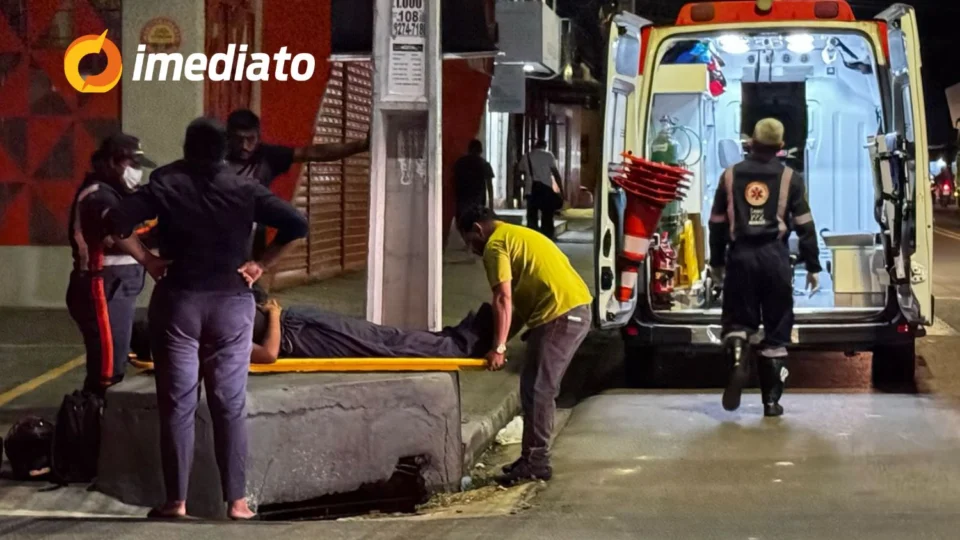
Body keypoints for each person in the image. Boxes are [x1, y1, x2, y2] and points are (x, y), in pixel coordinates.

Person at [105, 118, 308, 520]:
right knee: (228, 404)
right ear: (222, 150)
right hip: (232, 304)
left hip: (179, 301)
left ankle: (175, 502)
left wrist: (147, 259)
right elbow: (297, 224)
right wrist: (260, 264)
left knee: (178, 404)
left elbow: (113, 222)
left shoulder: (167, 181)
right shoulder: (243, 185)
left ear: (186, 146)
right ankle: (237, 502)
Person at [459, 206, 592, 486]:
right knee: (529, 386)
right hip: (565, 310)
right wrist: (501, 340)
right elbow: (516, 306)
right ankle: (530, 456)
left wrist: (499, 348)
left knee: (541, 389)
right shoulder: (515, 236)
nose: (472, 250)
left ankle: (538, 462)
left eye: (470, 241)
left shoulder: (495, 245)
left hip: (562, 313)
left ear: (478, 229)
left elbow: (503, 299)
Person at [708, 118, 822, 418]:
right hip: (775, 260)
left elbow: (716, 224)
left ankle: (736, 363)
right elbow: (805, 227)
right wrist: (813, 266)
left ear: (750, 144)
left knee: (737, 323)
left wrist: (717, 263)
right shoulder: (790, 178)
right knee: (776, 330)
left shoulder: (729, 176)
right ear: (781, 148)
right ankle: (771, 402)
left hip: (741, 258)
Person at [131, 296, 494, 365]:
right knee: (382, 346)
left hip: (298, 320)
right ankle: (461, 345)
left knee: (383, 334)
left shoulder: (194, 320)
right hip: (296, 338)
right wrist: (272, 316)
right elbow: (267, 355)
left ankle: (452, 336)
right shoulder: (201, 344)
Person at [66, 133, 157, 395]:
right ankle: (90, 424)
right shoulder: (98, 196)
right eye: (131, 164)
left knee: (114, 362)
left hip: (116, 289)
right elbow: (116, 231)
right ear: (110, 163)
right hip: (101, 287)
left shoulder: (119, 194)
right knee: (107, 371)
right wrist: (155, 240)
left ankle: (97, 420)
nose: (136, 173)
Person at [226, 109, 369, 262]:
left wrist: (360, 146)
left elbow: (315, 153)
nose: (244, 146)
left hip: (252, 226)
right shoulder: (214, 156)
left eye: (250, 139)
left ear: (259, 137)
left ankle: (260, 268)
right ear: (228, 138)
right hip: (218, 221)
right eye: (238, 140)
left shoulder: (267, 156)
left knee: (297, 223)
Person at [517, 140, 564, 240]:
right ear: (545, 146)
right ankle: (547, 237)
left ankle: (532, 238)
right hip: (546, 190)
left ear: (534, 146)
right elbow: (555, 173)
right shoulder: (548, 156)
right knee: (547, 216)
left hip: (531, 190)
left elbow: (519, 172)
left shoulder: (526, 156)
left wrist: (522, 183)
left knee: (532, 216)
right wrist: (561, 190)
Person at [454, 140, 495, 216]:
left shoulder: (460, 163)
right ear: (481, 151)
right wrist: (491, 208)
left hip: (462, 204)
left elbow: (454, 182)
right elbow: (490, 187)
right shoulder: (484, 164)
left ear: (468, 149)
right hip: (478, 205)